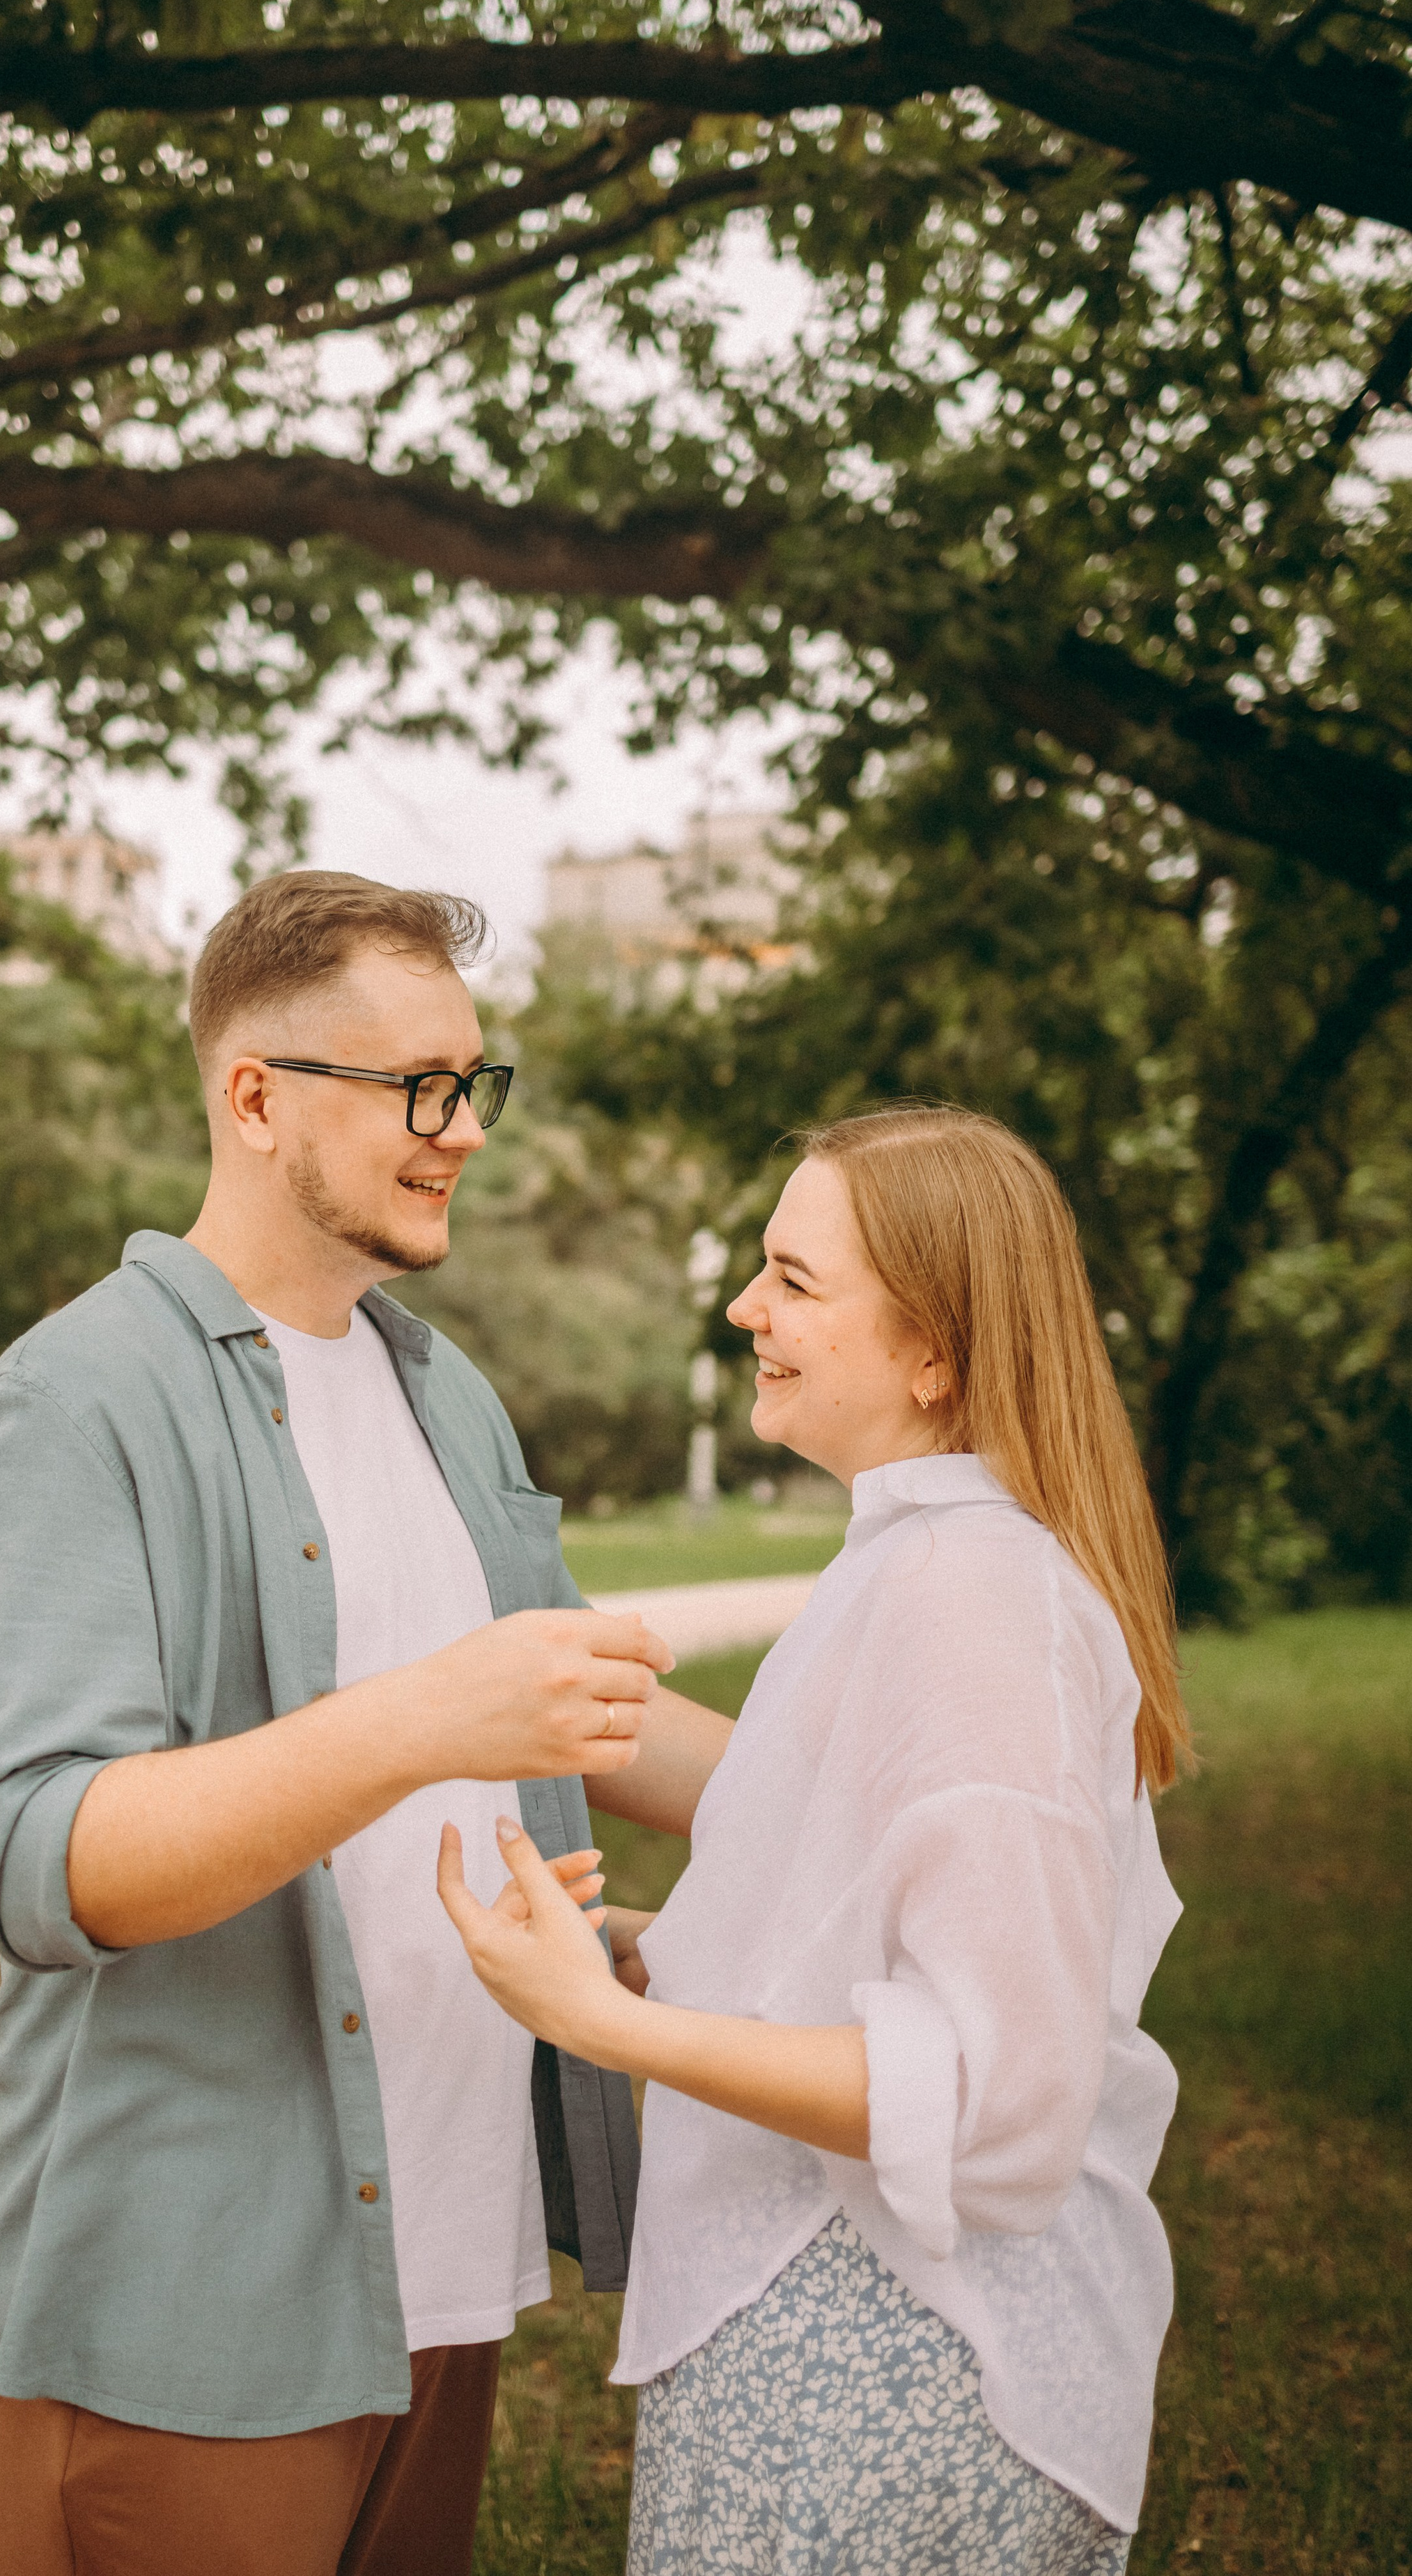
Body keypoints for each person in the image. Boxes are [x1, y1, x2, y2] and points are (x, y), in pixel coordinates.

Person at [0, 869, 729, 2576]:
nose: (463, 1131)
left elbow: (579, 1703)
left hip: (443, 2274)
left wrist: (900, 1791)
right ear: (255, 1095)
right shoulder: (70, 1404)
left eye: (473, 1086)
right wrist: (425, 1716)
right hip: (192, 2311)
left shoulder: (441, 1385)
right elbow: (46, 1860)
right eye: (417, 1090)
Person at [440, 1104, 1193, 2576]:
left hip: (892, 2370)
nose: (744, 1307)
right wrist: (655, 1950)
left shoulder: (971, 1601)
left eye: (794, 1278)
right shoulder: (916, 1557)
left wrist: (603, 2023)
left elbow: (992, 2098)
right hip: (836, 2348)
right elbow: (879, 1916)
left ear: (934, 1354)